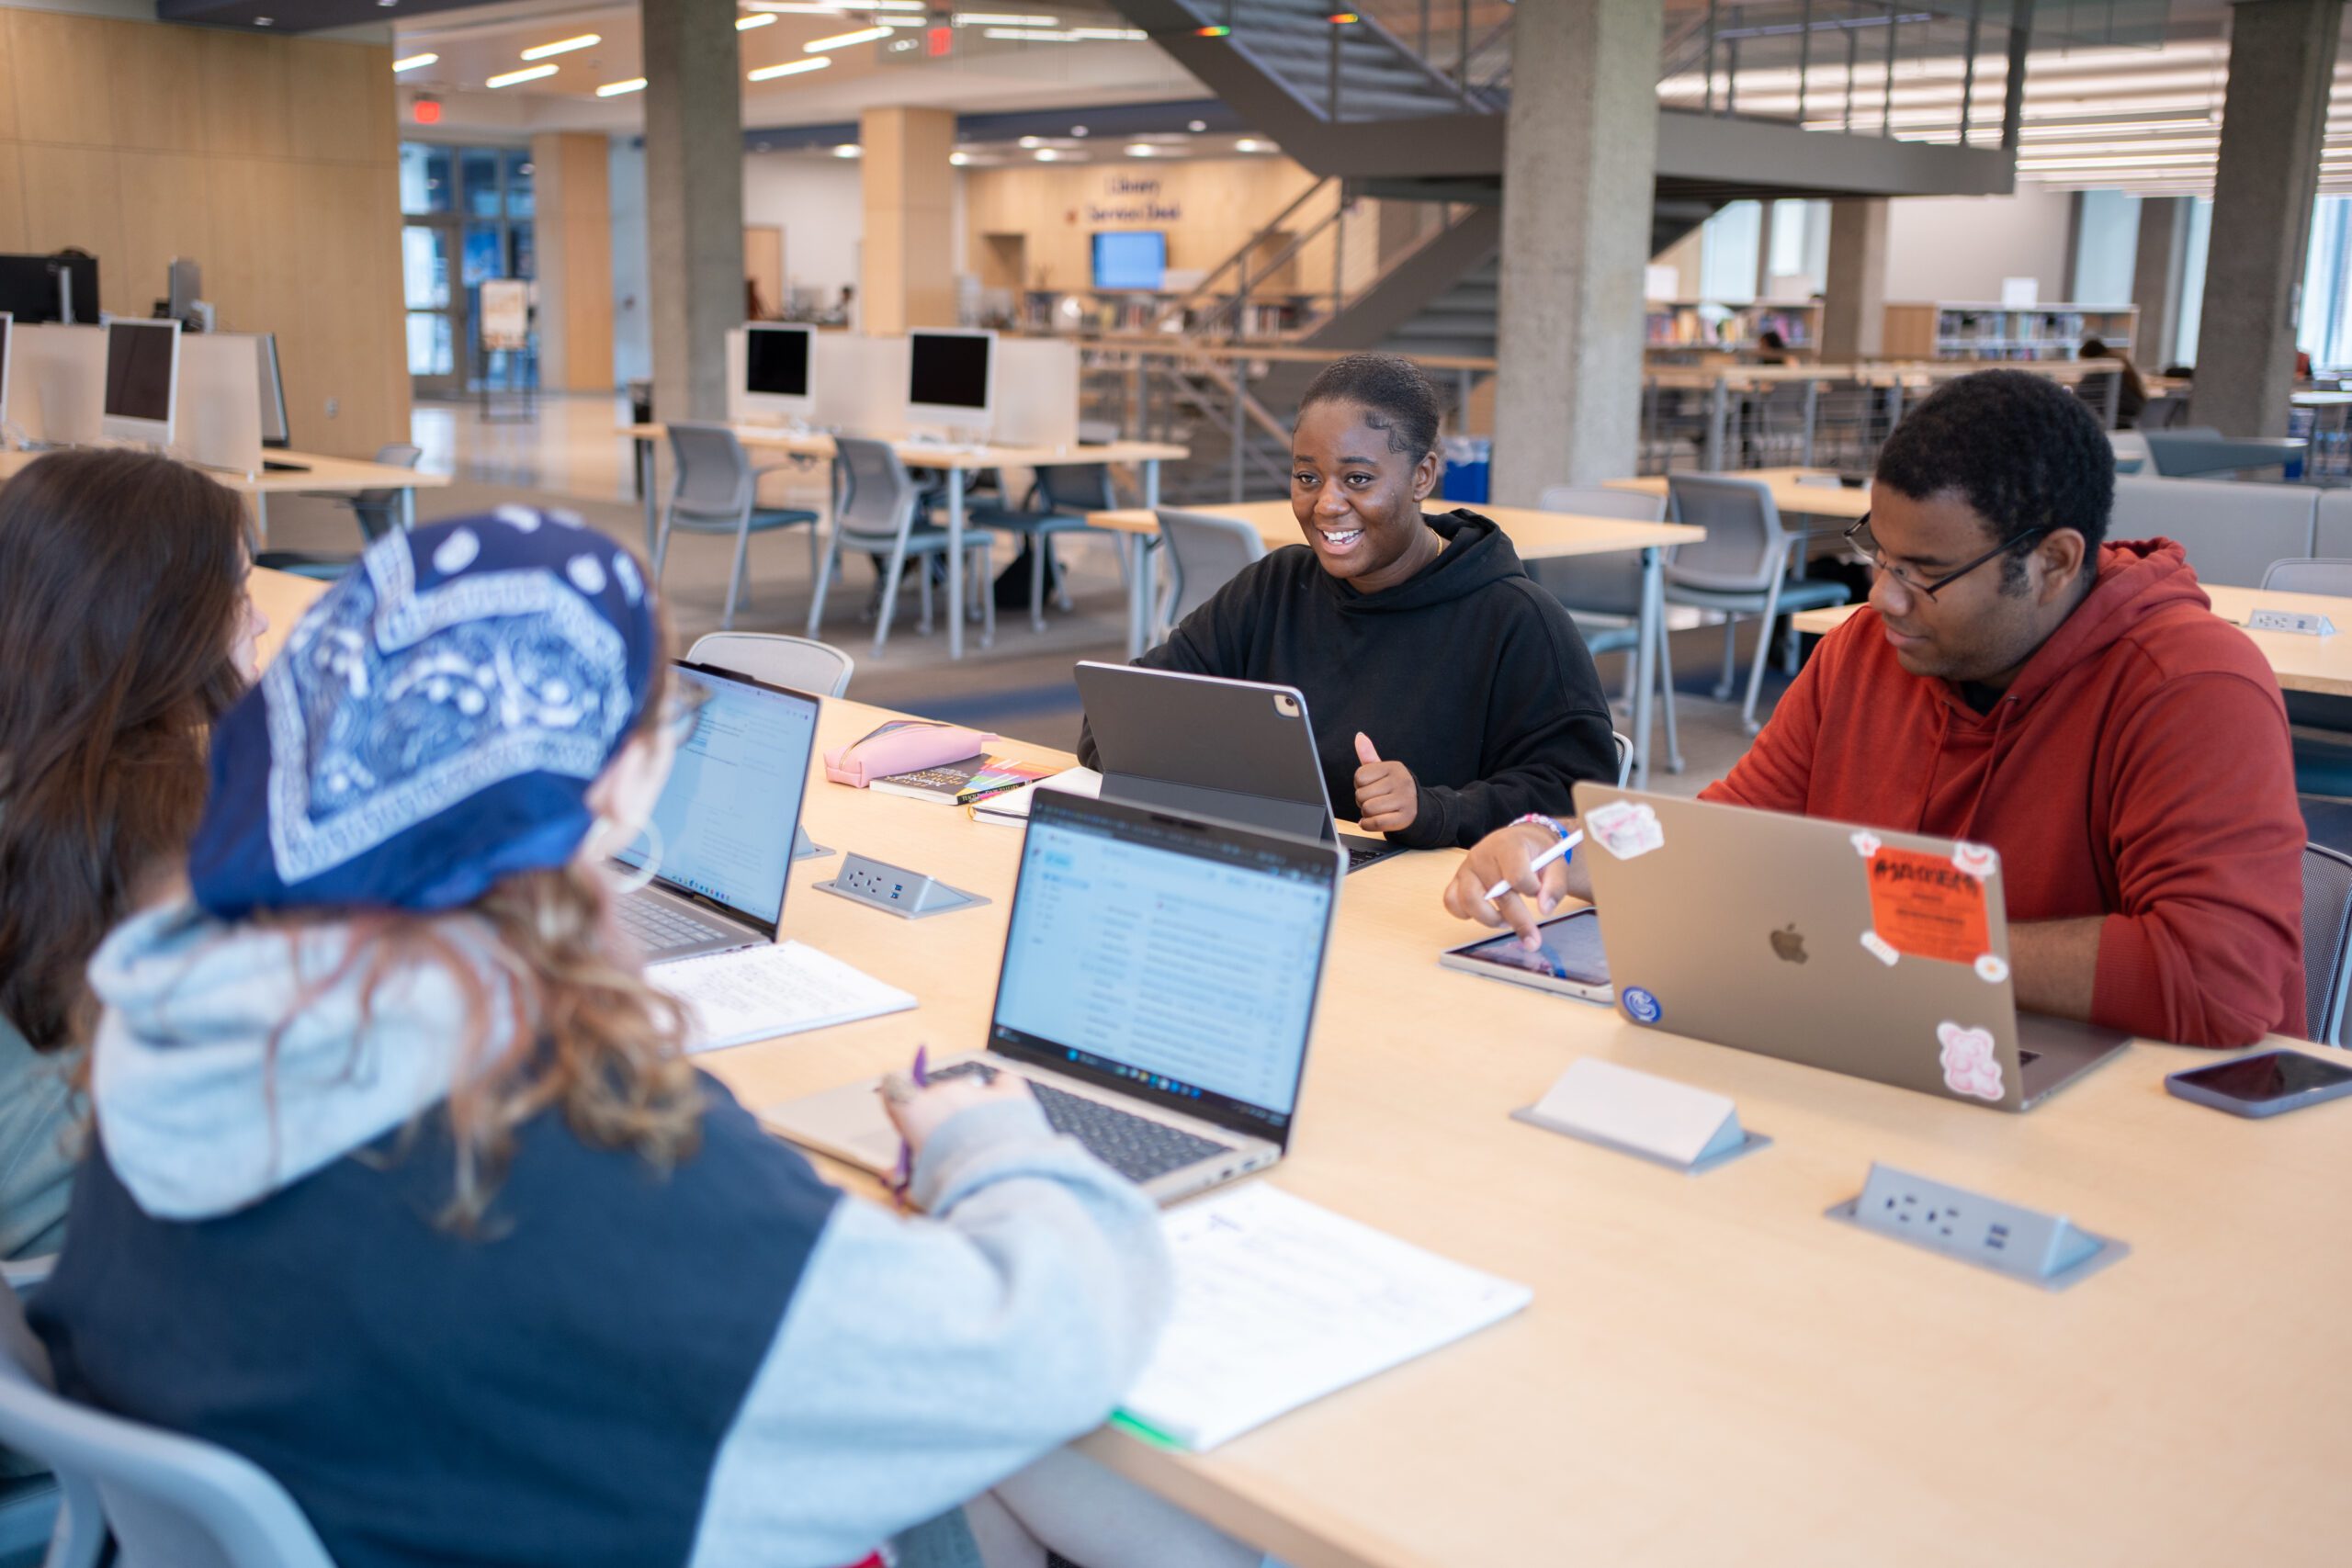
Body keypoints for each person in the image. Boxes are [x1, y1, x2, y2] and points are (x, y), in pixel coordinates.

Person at [29, 515, 1270, 1568]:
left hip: (406, 1481)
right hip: (547, 1505)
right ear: (618, 785)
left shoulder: (165, 1027)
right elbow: (1046, 1336)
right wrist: (992, 1141)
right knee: (1083, 1464)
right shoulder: (581, 1147)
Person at [1444, 370, 2305, 1048]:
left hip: (2141, 1120)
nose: (1884, 597)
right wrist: (1552, 845)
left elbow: (2217, 979)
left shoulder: (2190, 688)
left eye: (1924, 573)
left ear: (2052, 561)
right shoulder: (1864, 653)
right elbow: (1720, 843)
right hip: (1910, 1060)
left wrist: (1894, 933)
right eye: (1876, 555)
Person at [1080, 352, 1616, 850]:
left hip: (1423, 906)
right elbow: (1119, 719)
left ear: (1421, 476)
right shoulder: (1274, 587)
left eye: (1358, 478)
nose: (1327, 504)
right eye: (1306, 477)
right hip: (1274, 869)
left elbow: (1579, 804)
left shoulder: (1518, 620)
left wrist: (1437, 809)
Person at [0, 449, 266, 1260]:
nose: (256, 621)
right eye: (236, 596)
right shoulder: (170, 840)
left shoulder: (37, 779)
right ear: (158, 627)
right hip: (100, 1270)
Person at [2078, 335, 2148, 427]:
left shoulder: (2101, 372)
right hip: (2133, 423)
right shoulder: (2123, 368)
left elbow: (2078, 402)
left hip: (2117, 424)